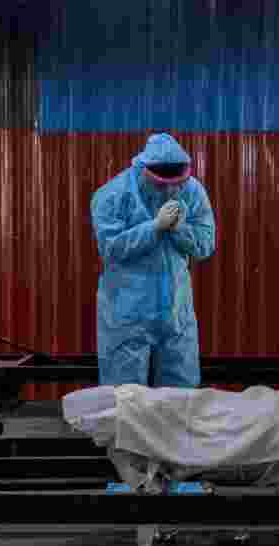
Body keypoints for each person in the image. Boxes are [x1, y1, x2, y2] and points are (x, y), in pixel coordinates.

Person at [90, 132, 216, 388]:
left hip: (175, 313)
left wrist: (181, 231)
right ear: (143, 171)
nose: (170, 190)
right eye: (161, 184)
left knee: (180, 396)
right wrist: (154, 228)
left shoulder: (191, 191)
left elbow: (205, 245)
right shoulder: (113, 196)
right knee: (124, 395)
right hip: (127, 312)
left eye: (176, 184)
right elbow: (111, 248)